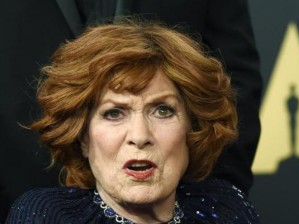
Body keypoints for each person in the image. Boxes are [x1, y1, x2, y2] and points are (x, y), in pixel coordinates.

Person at [6, 21, 260, 224]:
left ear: (192, 130)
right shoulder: (47, 215)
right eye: (114, 113)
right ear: (83, 137)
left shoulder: (227, 208)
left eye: (162, 111)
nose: (139, 136)